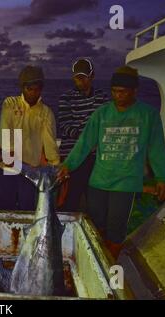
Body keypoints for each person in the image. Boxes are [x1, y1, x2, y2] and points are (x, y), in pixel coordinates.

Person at [57, 66, 165, 259]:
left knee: (116, 230)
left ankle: (111, 265)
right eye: (114, 91)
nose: (118, 96)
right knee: (95, 225)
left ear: (135, 91)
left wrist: (163, 178)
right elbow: (84, 143)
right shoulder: (101, 114)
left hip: (126, 182)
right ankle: (98, 262)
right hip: (98, 181)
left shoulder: (148, 115)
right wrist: (67, 165)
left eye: (123, 92)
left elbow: (156, 148)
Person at [0, 65, 60, 210]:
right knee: (5, 210)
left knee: (28, 210)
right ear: (22, 88)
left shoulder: (46, 113)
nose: (33, 93)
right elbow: (6, 138)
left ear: (41, 89)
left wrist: (56, 167)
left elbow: (50, 143)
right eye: (29, 89)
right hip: (8, 169)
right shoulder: (10, 104)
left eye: (37, 89)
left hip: (32, 172)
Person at [58, 58, 108, 211]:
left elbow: (104, 125)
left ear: (92, 76)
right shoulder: (66, 98)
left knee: (96, 202)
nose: (79, 80)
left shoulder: (102, 97)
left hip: (95, 157)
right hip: (73, 156)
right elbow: (66, 127)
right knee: (71, 200)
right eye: (76, 77)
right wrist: (89, 134)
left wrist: (87, 131)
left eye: (83, 76)